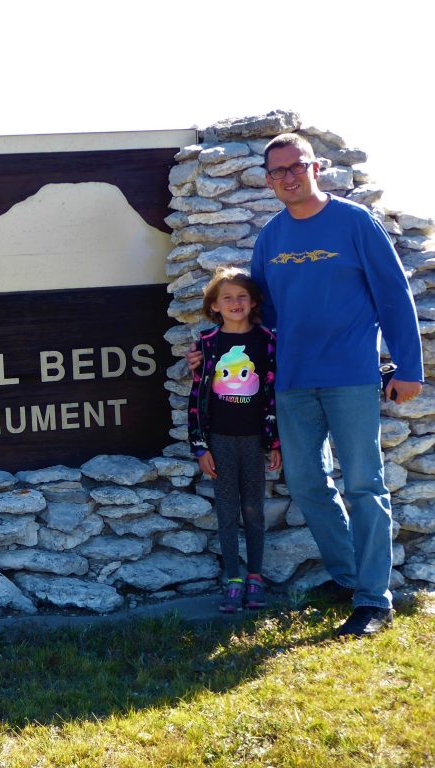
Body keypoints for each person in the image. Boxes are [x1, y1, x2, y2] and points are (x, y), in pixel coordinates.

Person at [188, 132, 423, 637]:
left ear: (315, 167)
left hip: (351, 376)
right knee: (308, 483)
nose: (288, 178)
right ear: (268, 180)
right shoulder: (272, 237)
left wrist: (408, 367)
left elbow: (393, 295)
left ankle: (373, 599)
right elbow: (256, 316)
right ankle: (345, 576)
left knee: (363, 484)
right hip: (291, 382)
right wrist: (211, 355)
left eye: (296, 167)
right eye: (277, 172)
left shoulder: (355, 223)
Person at [189, 266, 282, 613]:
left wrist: (274, 441)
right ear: (214, 305)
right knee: (227, 510)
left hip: (255, 438)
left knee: (254, 510)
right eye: (226, 297)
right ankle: (234, 578)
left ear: (255, 301)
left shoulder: (268, 341)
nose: (235, 302)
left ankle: (255, 576)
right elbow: (197, 398)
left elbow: (273, 392)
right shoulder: (207, 345)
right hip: (220, 440)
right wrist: (200, 446)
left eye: (242, 296)